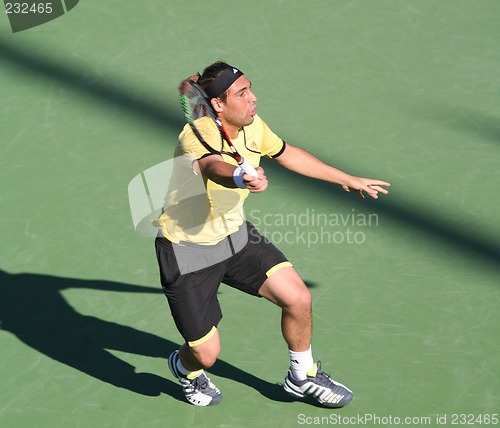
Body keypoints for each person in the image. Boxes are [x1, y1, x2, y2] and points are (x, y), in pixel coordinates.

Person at [154, 61, 390, 407]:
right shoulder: (197, 134)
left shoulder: (252, 126)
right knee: (205, 355)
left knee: (298, 297)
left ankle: (302, 376)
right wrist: (239, 176)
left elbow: (286, 153)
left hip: (234, 235)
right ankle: (184, 368)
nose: (253, 98)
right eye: (242, 93)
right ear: (217, 104)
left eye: (250, 89)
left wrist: (346, 179)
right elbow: (212, 166)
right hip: (188, 250)